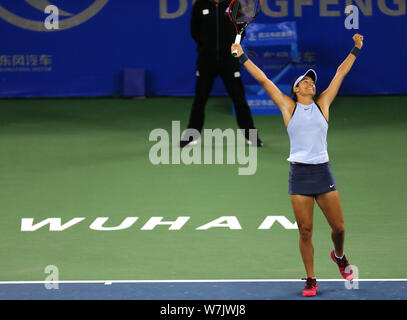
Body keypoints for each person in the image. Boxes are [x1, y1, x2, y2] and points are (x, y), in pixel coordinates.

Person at [231, 34, 364, 297]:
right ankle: (311, 279)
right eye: (305, 82)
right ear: (296, 89)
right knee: (305, 231)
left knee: (339, 228)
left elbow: (340, 73)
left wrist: (356, 49)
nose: (311, 84)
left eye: (312, 82)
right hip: (300, 175)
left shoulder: (323, 104)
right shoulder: (288, 107)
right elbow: (264, 80)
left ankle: (339, 256)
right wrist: (242, 56)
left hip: (322, 171)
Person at [180, 0, 262, 148]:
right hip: (206, 62)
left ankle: (252, 136)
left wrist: (232, 45)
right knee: (199, 100)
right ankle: (191, 136)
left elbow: (241, 30)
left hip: (229, 62)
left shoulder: (233, 4)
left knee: (240, 100)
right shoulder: (200, 5)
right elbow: (194, 31)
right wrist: (207, 47)